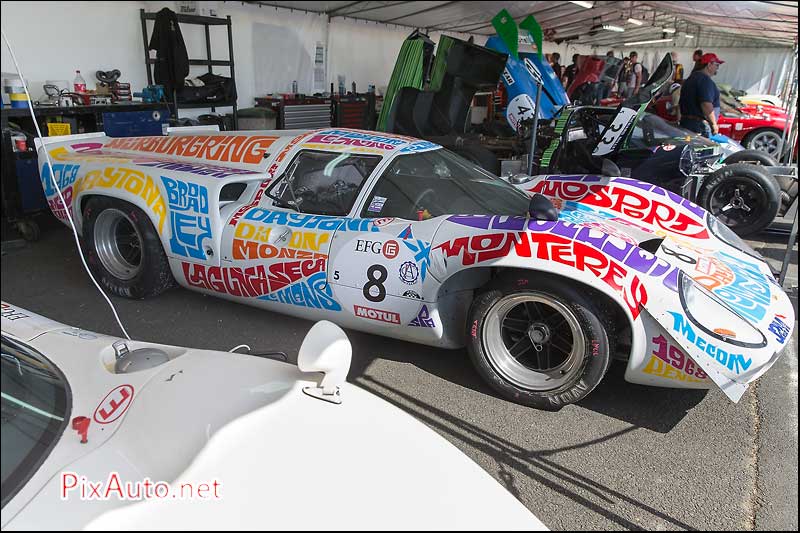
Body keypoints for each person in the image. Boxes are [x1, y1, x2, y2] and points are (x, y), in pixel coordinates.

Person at [679, 52, 724, 137]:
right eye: (717, 65)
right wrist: (713, 124)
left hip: (688, 123)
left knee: (690, 147)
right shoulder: (704, 80)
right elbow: (706, 104)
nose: (717, 68)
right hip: (699, 125)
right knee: (701, 149)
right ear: (709, 65)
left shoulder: (692, 78)